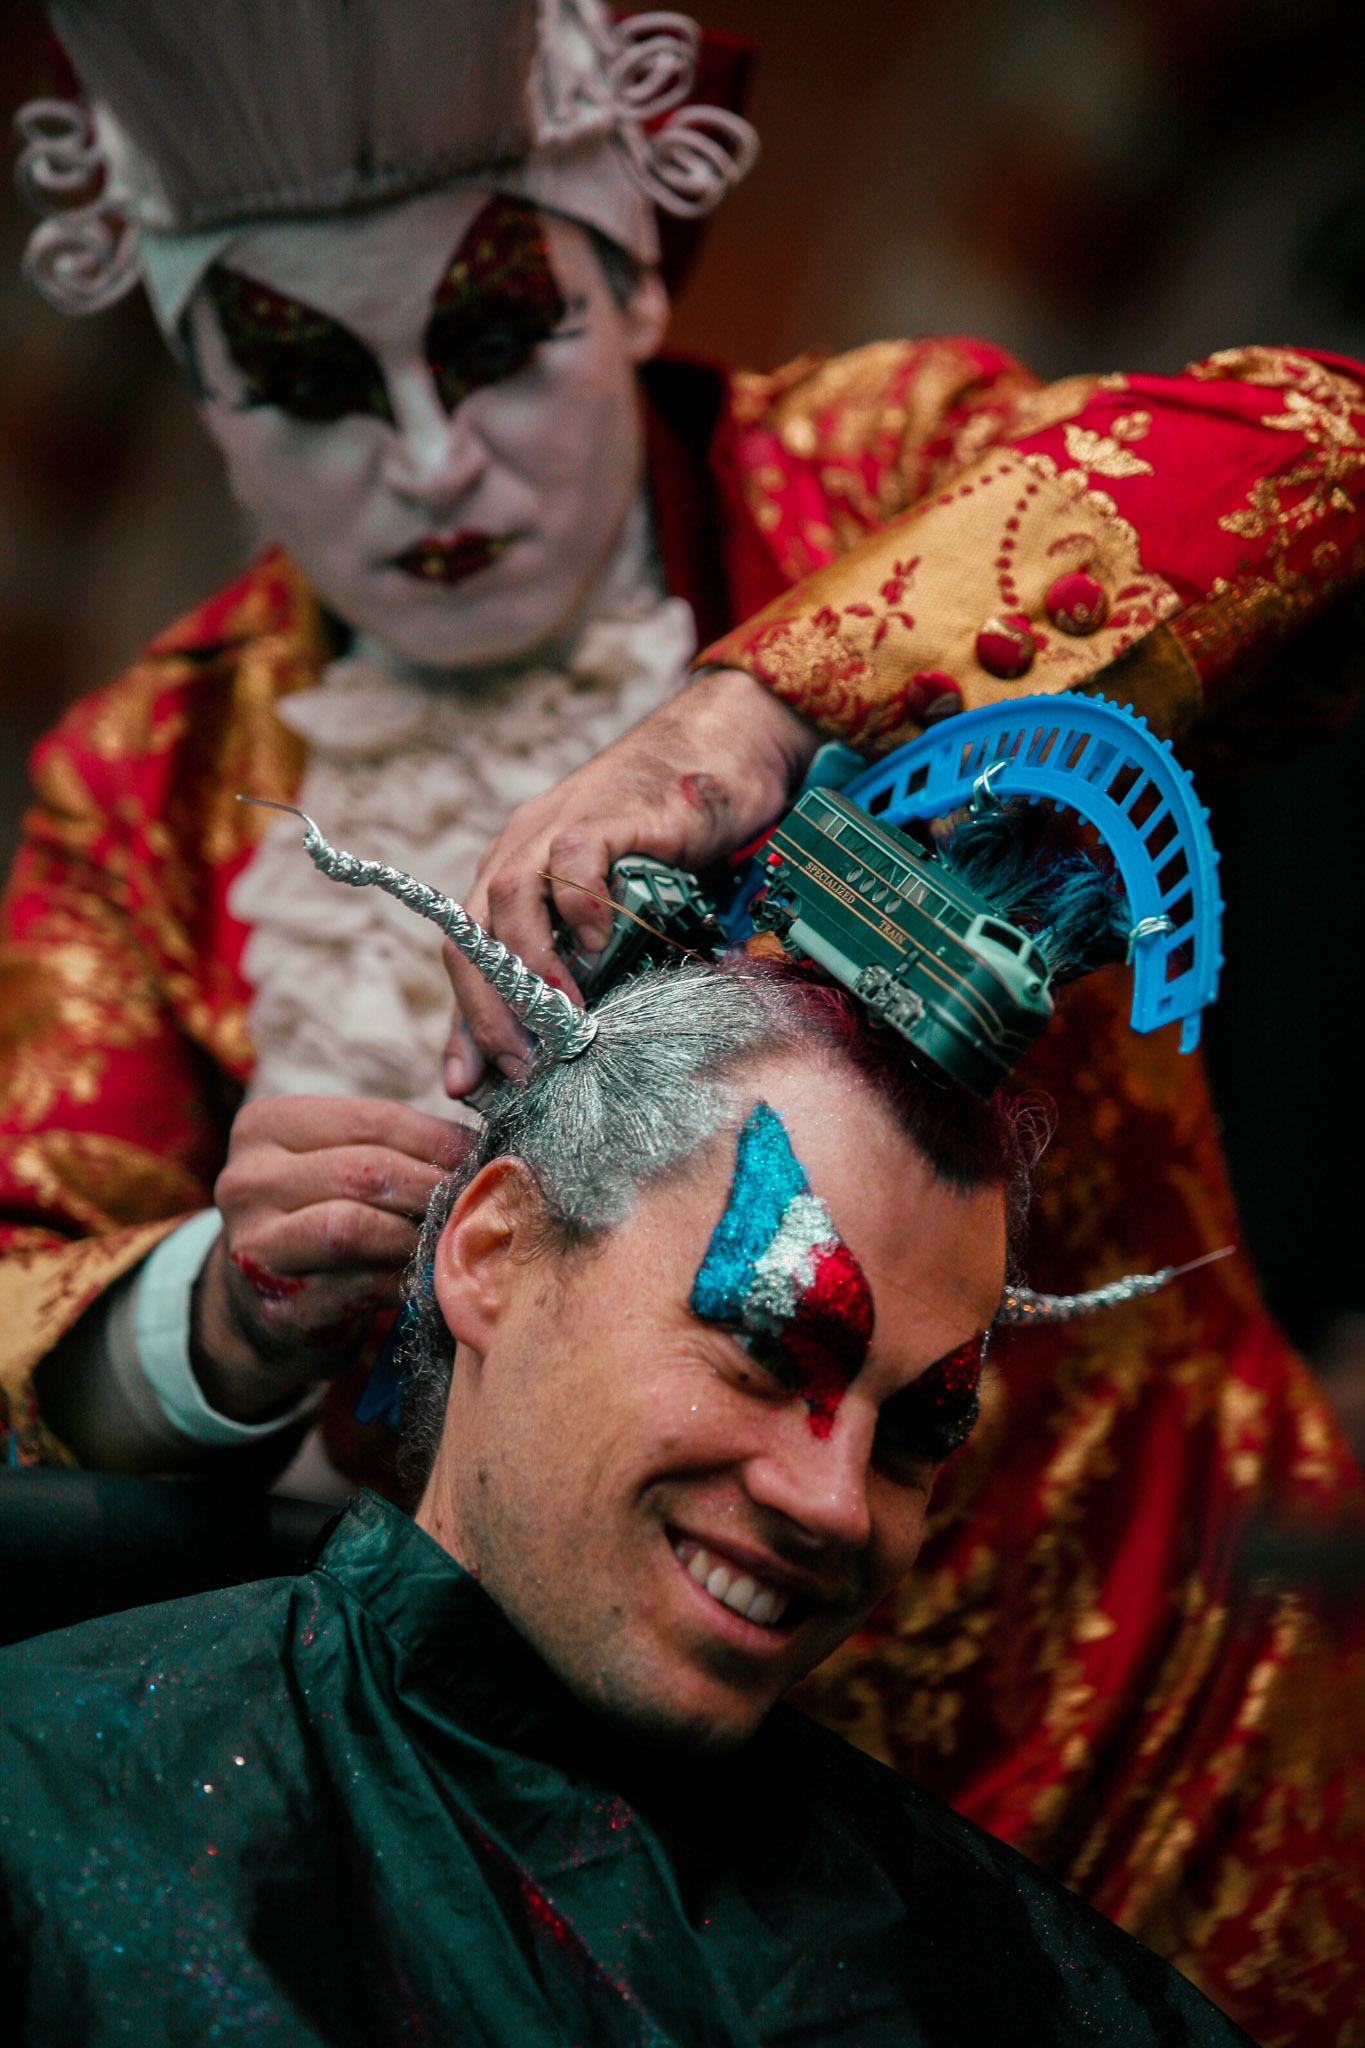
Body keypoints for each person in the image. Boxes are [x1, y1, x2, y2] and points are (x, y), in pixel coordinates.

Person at [0, 3, 1362, 2037]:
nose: (426, 459)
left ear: (633, 277)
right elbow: (24, 1298)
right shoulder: (152, 781)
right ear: (201, 395)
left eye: (495, 342)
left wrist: (766, 703)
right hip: (579, 1880)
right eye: (304, 382)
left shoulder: (878, 467)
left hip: (1156, 1763)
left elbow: (1321, 451)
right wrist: (208, 1315)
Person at [0, 955, 1253, 2045]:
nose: (837, 1506)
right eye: (765, 1345)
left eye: (917, 1436)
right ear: (493, 1252)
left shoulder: (996, 1981)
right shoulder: (52, 1811)